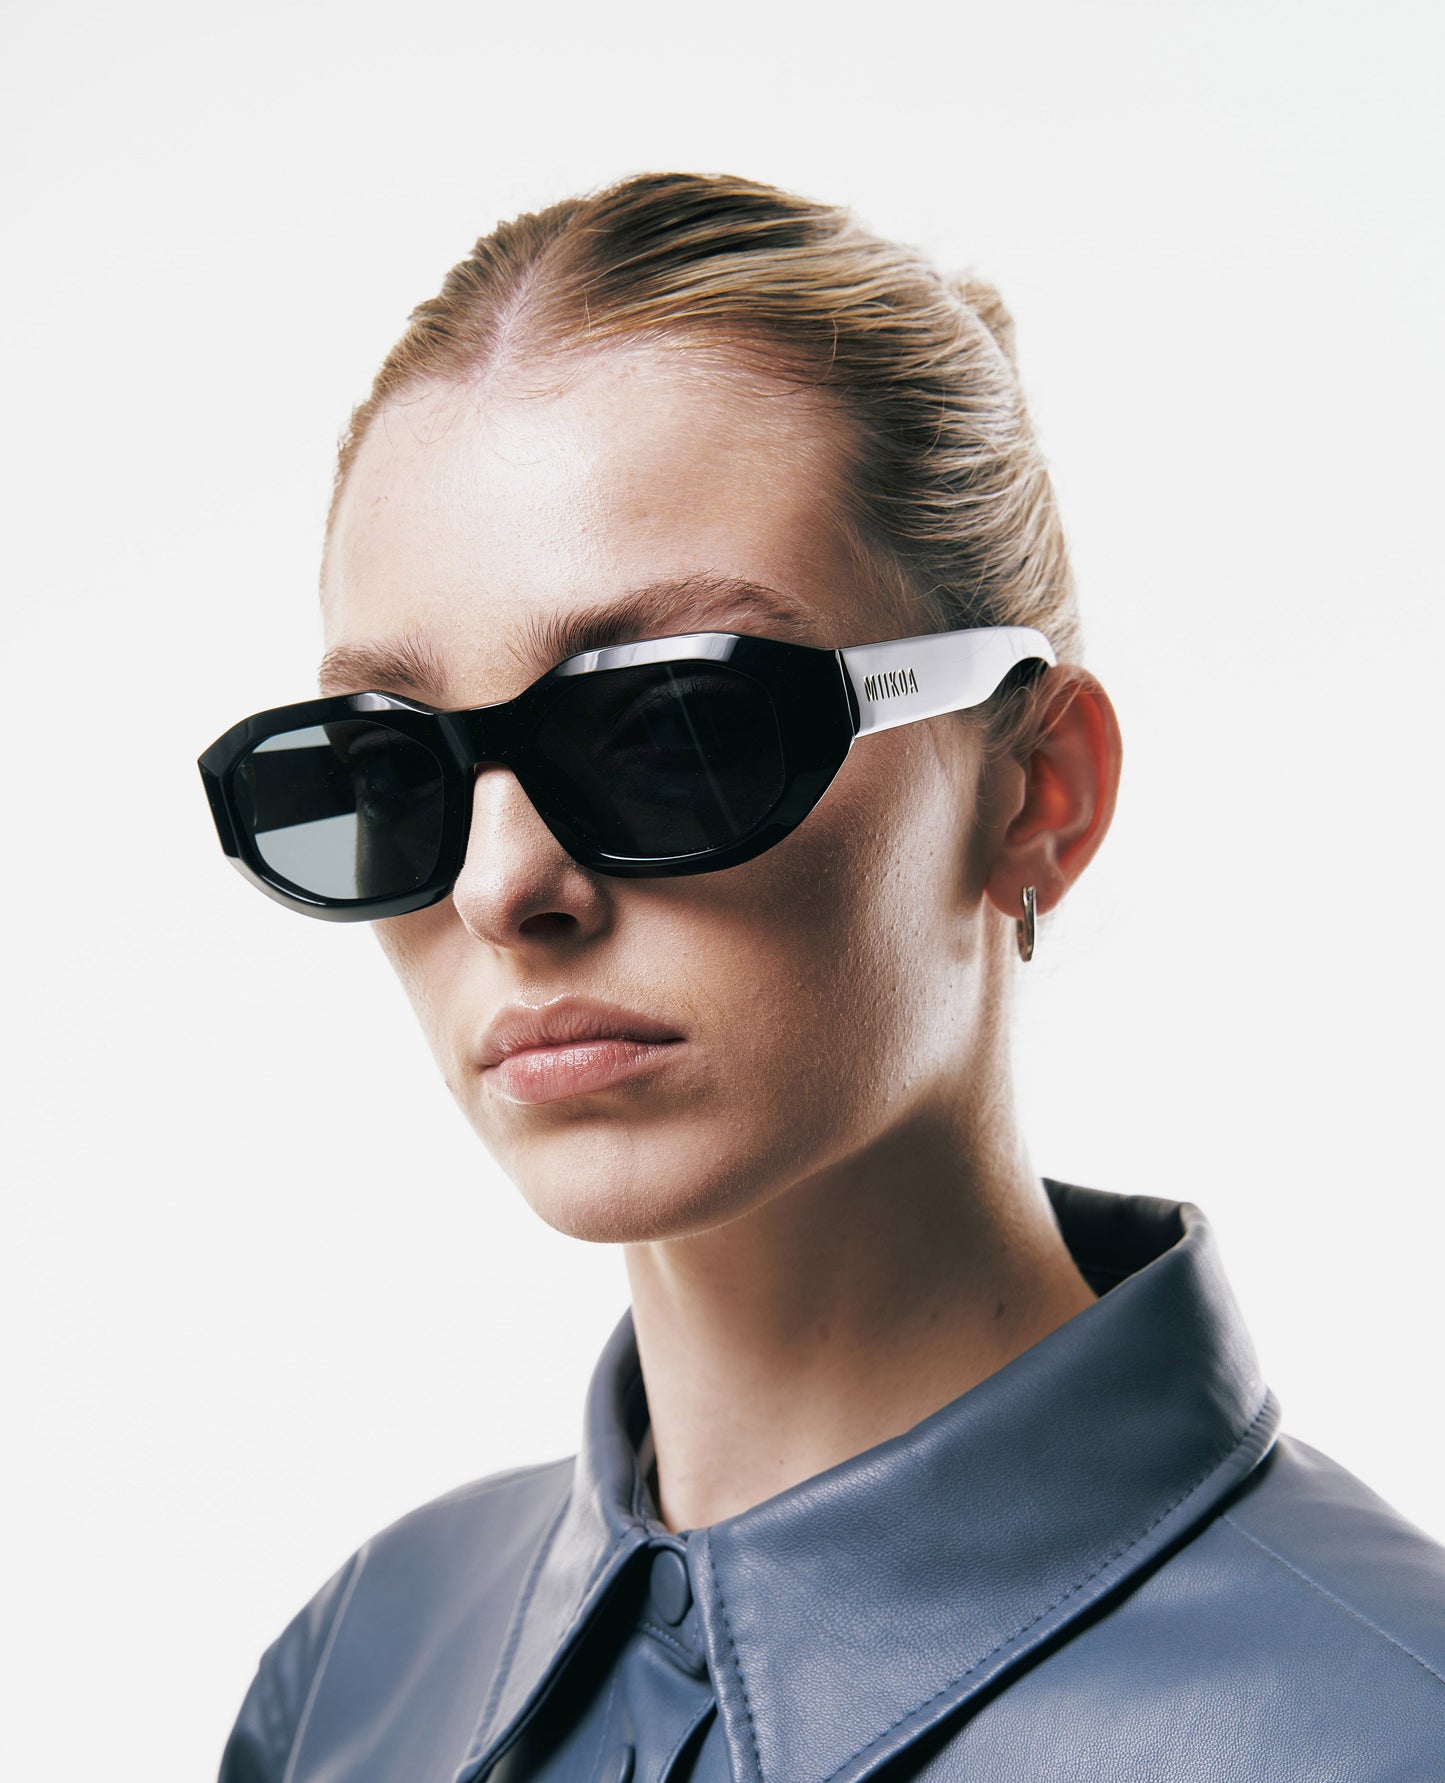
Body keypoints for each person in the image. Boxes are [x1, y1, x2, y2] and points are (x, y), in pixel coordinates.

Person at [203, 173, 1444, 1782]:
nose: (502, 886)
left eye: (674, 727)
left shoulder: (1384, 1728)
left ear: (1034, 792)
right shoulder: (357, 1677)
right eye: (385, 771)